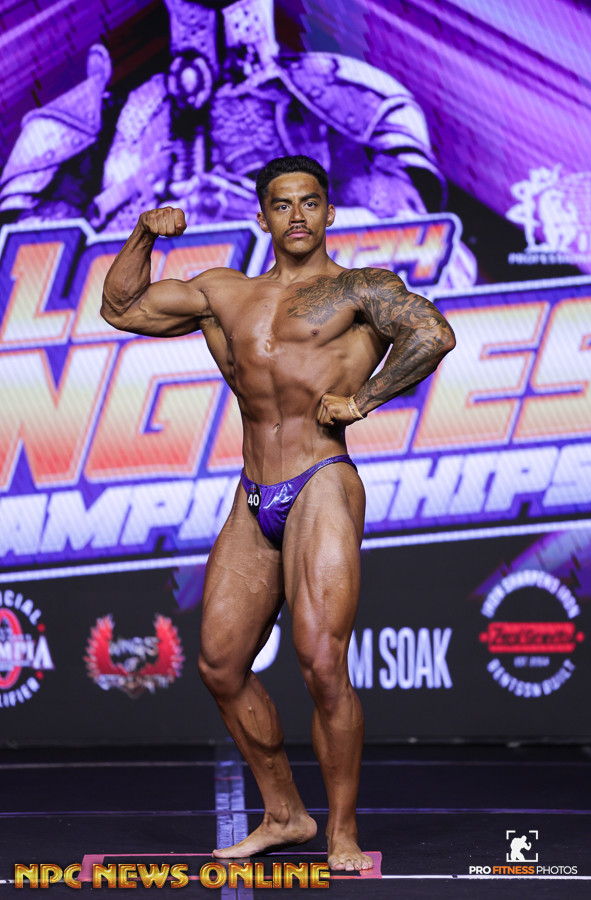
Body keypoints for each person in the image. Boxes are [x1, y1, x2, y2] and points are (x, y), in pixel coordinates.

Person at [101, 154, 456, 871]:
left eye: (310, 202)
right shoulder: (223, 293)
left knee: (322, 663)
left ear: (329, 213)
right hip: (255, 492)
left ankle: (342, 833)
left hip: (322, 479)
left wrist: (363, 399)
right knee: (220, 663)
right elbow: (121, 308)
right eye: (283, 204)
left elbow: (432, 334)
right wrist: (142, 234)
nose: (298, 215)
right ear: (262, 217)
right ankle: (286, 814)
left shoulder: (358, 289)